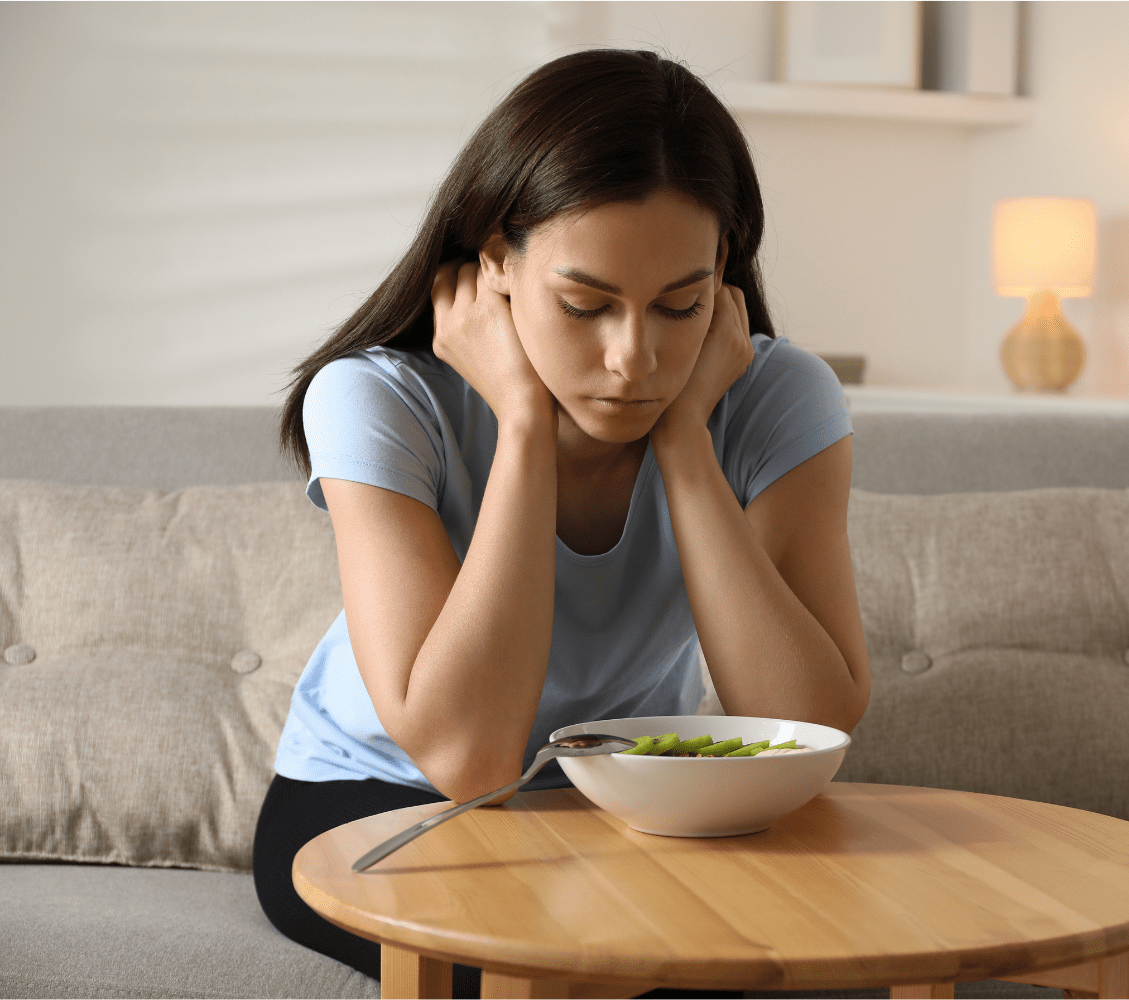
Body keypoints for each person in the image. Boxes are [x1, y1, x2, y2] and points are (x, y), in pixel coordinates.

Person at [251, 48, 870, 997]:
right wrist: (524, 421)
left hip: (622, 804)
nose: (635, 359)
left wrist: (686, 446)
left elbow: (808, 725)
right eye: (585, 305)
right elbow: (468, 757)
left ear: (724, 283)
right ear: (496, 259)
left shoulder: (775, 396)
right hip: (374, 801)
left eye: (681, 305)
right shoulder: (377, 399)